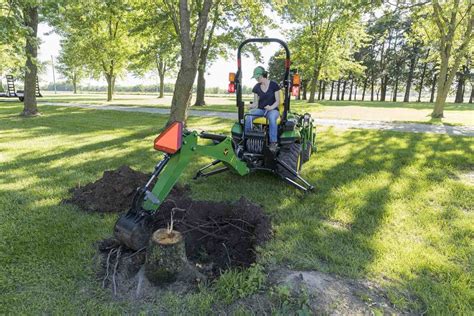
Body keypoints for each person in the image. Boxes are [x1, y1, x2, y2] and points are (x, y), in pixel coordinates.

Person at [245, 66, 280, 151]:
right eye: (256, 78)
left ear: (263, 75)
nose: (257, 79)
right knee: (248, 116)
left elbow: (277, 101)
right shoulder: (256, 87)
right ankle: (247, 138)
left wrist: (271, 107)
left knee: (271, 118)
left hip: (273, 110)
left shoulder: (274, 85)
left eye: (258, 77)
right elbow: (256, 103)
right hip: (261, 110)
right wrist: (251, 106)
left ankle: (273, 143)